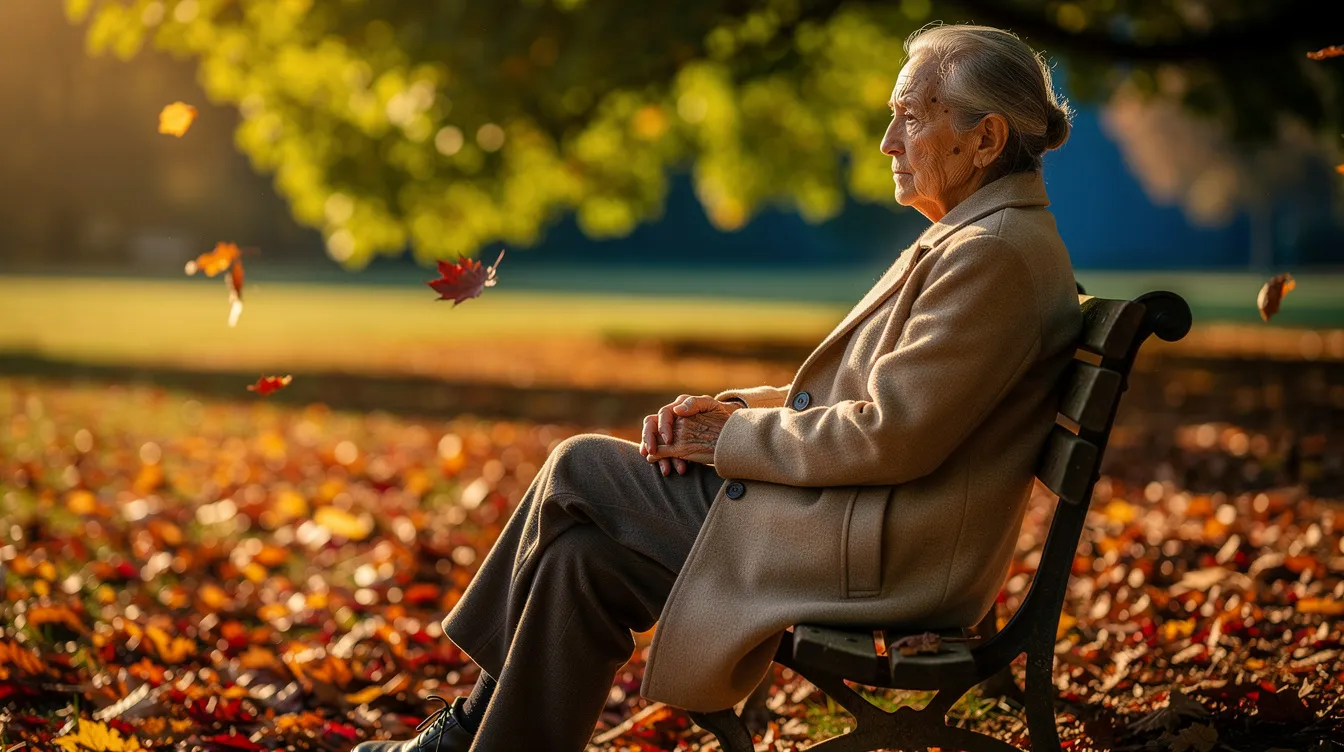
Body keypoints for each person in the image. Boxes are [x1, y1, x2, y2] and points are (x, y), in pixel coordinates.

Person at [352, 22, 1083, 752]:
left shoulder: (991, 255)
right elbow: (863, 400)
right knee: (583, 564)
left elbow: (891, 433)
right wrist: (736, 409)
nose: (889, 142)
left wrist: (727, 438)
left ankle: (461, 731)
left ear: (986, 140)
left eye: (912, 118)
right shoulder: (981, 238)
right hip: (863, 522)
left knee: (580, 467)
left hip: (884, 557)